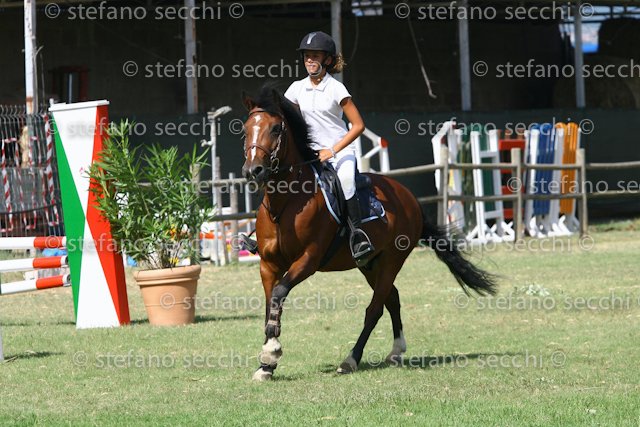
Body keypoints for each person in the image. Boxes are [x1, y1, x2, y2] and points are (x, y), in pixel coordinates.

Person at [284, 31, 374, 262]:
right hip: (310, 153)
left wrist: (332, 151)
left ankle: (357, 235)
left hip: (339, 151)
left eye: (315, 56)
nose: (310, 60)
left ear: (328, 60)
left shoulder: (336, 88)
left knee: (346, 180)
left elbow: (358, 125)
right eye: (307, 56)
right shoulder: (296, 88)